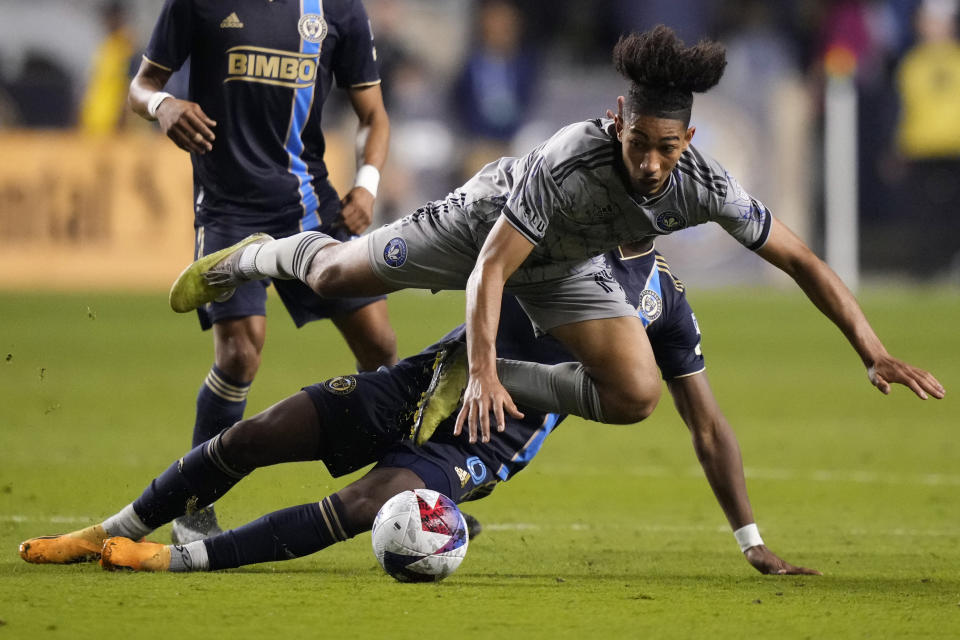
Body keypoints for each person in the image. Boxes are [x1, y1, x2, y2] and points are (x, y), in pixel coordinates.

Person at [169, 25, 943, 450]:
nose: (647, 161)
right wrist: (482, 377)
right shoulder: (568, 160)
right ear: (617, 118)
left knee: (636, 395)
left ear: (689, 141)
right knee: (336, 277)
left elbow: (800, 257)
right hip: (488, 222)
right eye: (637, 140)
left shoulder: (704, 182)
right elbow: (488, 273)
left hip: (564, 263)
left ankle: (453, 372)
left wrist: (869, 346)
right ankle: (254, 253)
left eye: (664, 149)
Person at [19, 245, 818, 576]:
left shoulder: (665, 304)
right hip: (426, 382)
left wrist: (752, 541)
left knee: (370, 502)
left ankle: (173, 560)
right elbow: (475, 267)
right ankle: (109, 529)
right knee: (258, 432)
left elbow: (706, 424)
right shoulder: (554, 227)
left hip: (485, 435)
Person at [128, 0, 399, 543]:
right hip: (228, 210)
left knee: (381, 347)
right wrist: (162, 105)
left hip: (311, 206)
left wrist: (367, 183)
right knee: (239, 353)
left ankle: (396, 493)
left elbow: (374, 116)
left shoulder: (338, 10)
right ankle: (192, 507)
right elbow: (141, 85)